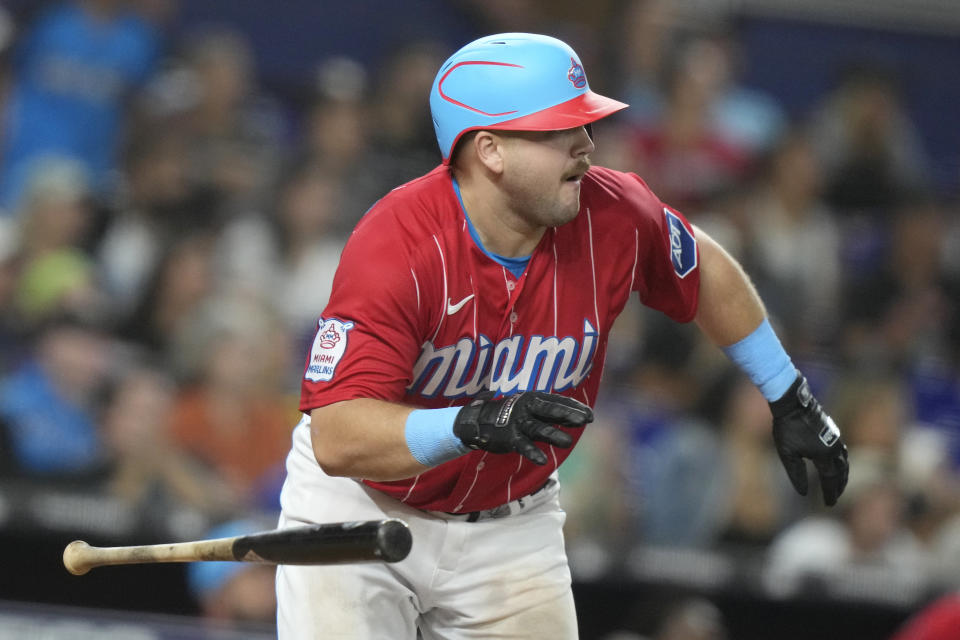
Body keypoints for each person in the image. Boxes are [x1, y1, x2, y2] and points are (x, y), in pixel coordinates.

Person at [276, 33, 849, 639]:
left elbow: (706, 273)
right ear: (490, 149)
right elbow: (339, 436)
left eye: (585, 123)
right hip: (365, 504)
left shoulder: (613, 211)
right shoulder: (399, 244)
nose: (585, 145)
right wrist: (470, 423)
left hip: (509, 523)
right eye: (558, 129)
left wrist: (789, 394)